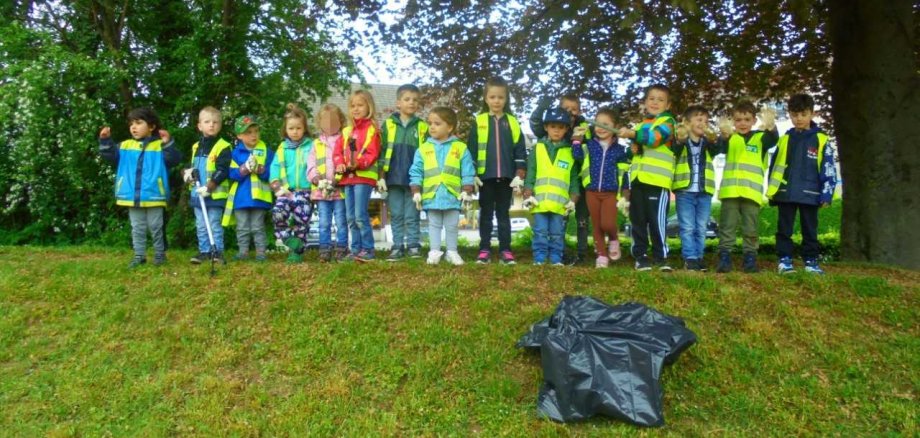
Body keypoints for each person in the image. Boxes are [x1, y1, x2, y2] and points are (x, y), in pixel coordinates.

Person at [99, 108, 181, 268]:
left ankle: (160, 255)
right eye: (131, 124)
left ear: (151, 127)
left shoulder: (159, 146)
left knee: (156, 227)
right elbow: (109, 156)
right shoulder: (124, 146)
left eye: (138, 123)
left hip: (154, 195)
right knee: (137, 228)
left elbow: (174, 160)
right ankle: (139, 256)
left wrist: (168, 143)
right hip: (131, 195)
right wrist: (105, 141)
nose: (133, 127)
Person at [767, 93, 837, 274]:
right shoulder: (785, 139)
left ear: (812, 114)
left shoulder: (821, 139)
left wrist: (827, 193)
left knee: (810, 229)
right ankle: (784, 260)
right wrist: (772, 192)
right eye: (794, 114)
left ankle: (811, 262)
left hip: (811, 193)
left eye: (803, 114)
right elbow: (775, 166)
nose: (798, 119)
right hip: (786, 192)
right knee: (784, 229)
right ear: (789, 114)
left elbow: (828, 167)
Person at [467, 76, 526, 265]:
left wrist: (519, 173)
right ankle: (484, 249)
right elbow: (472, 150)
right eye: (492, 97)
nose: (496, 101)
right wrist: (472, 174)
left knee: (503, 214)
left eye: (500, 97)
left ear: (506, 99)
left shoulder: (513, 122)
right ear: (486, 98)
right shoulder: (479, 121)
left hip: (507, 177)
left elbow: (520, 149)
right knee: (485, 213)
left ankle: (505, 250)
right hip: (485, 177)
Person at [618, 84, 677, 271]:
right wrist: (632, 148)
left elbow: (654, 138)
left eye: (660, 99)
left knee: (657, 222)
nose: (655, 102)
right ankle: (641, 256)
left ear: (668, 105)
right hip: (638, 181)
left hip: (657, 182)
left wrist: (633, 134)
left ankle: (661, 257)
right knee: (638, 221)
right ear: (645, 102)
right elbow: (632, 152)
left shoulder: (669, 122)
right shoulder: (641, 124)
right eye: (651, 98)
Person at [715, 101, 778, 273]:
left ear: (753, 121)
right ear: (733, 121)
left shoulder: (760, 138)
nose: (742, 123)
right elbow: (719, 148)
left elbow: (773, 139)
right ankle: (724, 257)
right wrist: (723, 135)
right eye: (738, 120)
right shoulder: (730, 137)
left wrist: (772, 126)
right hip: (730, 193)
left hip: (751, 193)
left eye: (747, 119)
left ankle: (750, 258)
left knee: (750, 228)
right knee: (727, 227)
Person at [409, 107, 476, 265]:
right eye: (430, 123)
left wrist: (467, 190)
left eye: (437, 123)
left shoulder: (460, 148)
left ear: (450, 127)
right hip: (431, 195)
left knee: (452, 225)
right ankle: (434, 251)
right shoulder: (423, 149)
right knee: (434, 225)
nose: (432, 127)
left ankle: (452, 252)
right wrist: (416, 190)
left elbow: (467, 171)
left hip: (452, 194)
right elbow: (416, 171)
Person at [531, 93, 593, 264]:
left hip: (581, 180)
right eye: (566, 108)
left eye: (574, 109)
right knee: (560, 221)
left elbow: (594, 145)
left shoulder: (584, 127)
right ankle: (560, 254)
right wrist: (541, 107)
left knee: (582, 219)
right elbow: (536, 124)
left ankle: (582, 254)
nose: (570, 112)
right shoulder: (554, 128)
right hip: (560, 184)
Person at [522, 107, 581, 266]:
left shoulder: (570, 152)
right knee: (540, 232)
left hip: (560, 204)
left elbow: (574, 177)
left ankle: (556, 259)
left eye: (561, 127)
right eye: (553, 126)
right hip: (539, 201)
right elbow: (531, 172)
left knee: (557, 233)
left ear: (567, 129)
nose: (557, 131)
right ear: (546, 127)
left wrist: (574, 198)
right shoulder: (537, 148)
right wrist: (527, 192)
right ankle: (539, 259)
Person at [572, 107, 629, 268]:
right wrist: (576, 139)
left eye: (606, 124)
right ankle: (602, 256)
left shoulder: (620, 150)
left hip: (610, 192)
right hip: (591, 192)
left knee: (608, 224)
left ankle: (613, 238)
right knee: (596, 226)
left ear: (615, 127)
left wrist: (625, 194)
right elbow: (577, 156)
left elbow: (624, 172)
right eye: (597, 124)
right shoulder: (589, 145)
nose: (600, 128)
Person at [378, 84, 428, 261]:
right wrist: (381, 176)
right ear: (398, 103)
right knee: (397, 214)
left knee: (412, 214)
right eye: (407, 99)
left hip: (414, 179)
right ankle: (397, 245)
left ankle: (414, 245)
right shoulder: (389, 124)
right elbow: (382, 151)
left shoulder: (422, 127)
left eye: (415, 100)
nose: (411, 103)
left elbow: (427, 154)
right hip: (392, 178)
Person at [333, 90, 381, 262]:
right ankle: (355, 250)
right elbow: (337, 152)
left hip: (364, 177)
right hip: (348, 178)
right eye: (353, 105)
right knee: (350, 216)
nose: (356, 108)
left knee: (360, 215)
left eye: (360, 105)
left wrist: (358, 163)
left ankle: (368, 249)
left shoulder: (372, 130)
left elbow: (372, 153)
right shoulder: (346, 131)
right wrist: (340, 163)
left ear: (369, 106)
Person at [672, 105, 720, 271]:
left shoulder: (708, 143)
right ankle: (690, 258)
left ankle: (699, 257)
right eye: (699, 120)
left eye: (706, 121)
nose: (703, 123)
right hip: (684, 191)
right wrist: (680, 138)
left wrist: (718, 136)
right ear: (687, 122)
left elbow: (720, 147)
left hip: (704, 192)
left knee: (701, 227)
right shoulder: (680, 143)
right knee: (687, 227)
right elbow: (674, 151)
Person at [221, 115, 275, 262]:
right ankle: (243, 252)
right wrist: (243, 170)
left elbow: (274, 173)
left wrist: (262, 171)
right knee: (242, 227)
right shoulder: (236, 153)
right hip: (241, 198)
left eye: (256, 131)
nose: (253, 135)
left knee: (258, 227)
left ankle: (261, 253)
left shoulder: (266, 151)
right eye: (248, 132)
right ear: (239, 136)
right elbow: (231, 174)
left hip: (259, 198)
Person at [183, 106, 231, 265]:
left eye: (215, 122)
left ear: (220, 125)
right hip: (197, 194)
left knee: (214, 224)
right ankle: (204, 251)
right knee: (201, 225)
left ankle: (217, 252)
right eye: (207, 122)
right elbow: (193, 167)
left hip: (214, 194)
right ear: (200, 125)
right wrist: (187, 174)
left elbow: (223, 170)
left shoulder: (223, 146)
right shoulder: (196, 146)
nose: (211, 125)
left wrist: (209, 187)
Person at [269, 103, 314, 264]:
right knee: (277, 214)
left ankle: (297, 253)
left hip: (305, 191)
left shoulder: (311, 146)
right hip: (286, 191)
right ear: (286, 130)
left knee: (302, 220)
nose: (295, 132)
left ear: (304, 128)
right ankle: (289, 240)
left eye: (298, 128)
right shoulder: (282, 148)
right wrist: (275, 183)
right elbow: (274, 167)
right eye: (291, 128)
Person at [308, 104, 349, 262]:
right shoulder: (316, 143)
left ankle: (342, 248)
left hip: (340, 190)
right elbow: (311, 164)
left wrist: (340, 175)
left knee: (341, 220)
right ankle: (324, 249)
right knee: (324, 222)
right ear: (320, 122)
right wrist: (315, 178)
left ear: (341, 121)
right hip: (322, 191)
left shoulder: (344, 140)